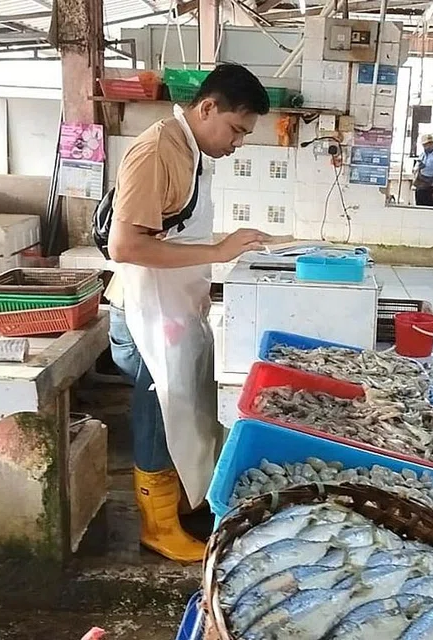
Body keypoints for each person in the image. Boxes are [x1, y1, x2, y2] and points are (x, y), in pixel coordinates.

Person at [106, 64, 271, 562]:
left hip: (174, 307)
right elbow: (124, 246)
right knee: (159, 411)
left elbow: (175, 231)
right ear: (207, 108)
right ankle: (156, 525)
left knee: (184, 409)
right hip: (145, 312)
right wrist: (219, 252)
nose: (237, 143)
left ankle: (180, 502)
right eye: (236, 130)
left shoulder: (190, 149)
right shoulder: (158, 149)